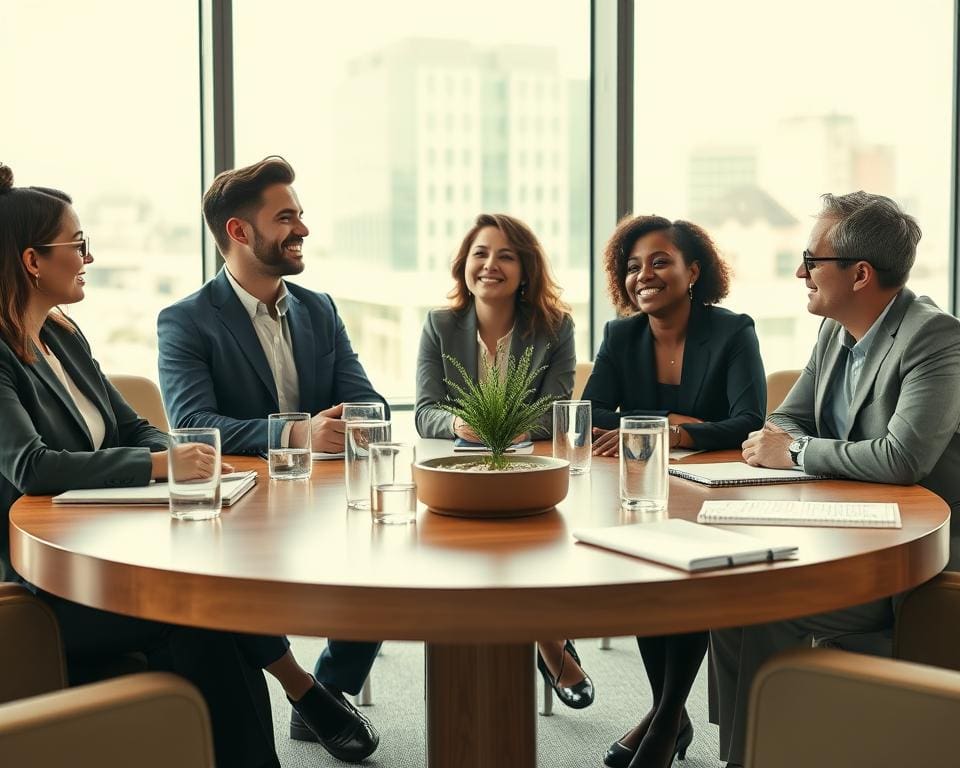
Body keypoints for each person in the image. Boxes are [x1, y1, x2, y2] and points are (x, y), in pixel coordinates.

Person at [0, 163, 374, 768]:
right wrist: (157, 465)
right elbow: (33, 467)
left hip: (109, 537)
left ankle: (293, 705)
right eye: (78, 244)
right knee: (206, 617)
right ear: (32, 261)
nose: (89, 258)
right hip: (55, 577)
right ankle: (299, 695)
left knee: (210, 604)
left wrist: (185, 458)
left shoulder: (63, 335)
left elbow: (133, 427)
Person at [719, 191, 960, 767]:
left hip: (916, 558)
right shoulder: (835, 331)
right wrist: (791, 442)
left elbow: (901, 458)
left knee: (770, 606)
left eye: (811, 259)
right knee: (730, 597)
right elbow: (787, 418)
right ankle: (747, 752)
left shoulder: (935, 338)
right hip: (844, 531)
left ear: (860, 274)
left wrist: (797, 451)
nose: (800, 272)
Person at [158, 156, 384, 757]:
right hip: (242, 506)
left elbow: (370, 403)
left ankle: (331, 684)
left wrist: (351, 422)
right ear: (239, 231)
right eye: (286, 218)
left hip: (326, 497)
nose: (302, 228)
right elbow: (193, 425)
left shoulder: (320, 308)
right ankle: (301, 686)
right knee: (222, 570)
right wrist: (297, 433)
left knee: (390, 548)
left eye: (300, 215)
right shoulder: (185, 320)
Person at [582, 215, 765, 768]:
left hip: (715, 492)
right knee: (647, 579)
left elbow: (748, 420)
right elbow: (592, 413)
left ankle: (663, 722)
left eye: (660, 262)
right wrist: (669, 422)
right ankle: (670, 715)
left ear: (694, 271)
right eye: (633, 266)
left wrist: (675, 432)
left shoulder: (733, 331)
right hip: (641, 485)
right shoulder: (621, 335)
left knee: (686, 585)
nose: (644, 275)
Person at [415, 213, 591, 708]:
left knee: (525, 541)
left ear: (525, 269)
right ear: (464, 265)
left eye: (506, 256)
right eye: (481, 253)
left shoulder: (555, 328)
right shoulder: (439, 325)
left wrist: (509, 425)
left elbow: (555, 410)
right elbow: (426, 412)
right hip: (459, 473)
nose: (490, 265)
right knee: (477, 549)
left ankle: (543, 640)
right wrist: (459, 424)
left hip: (527, 471)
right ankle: (550, 643)